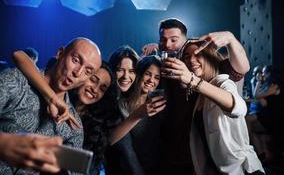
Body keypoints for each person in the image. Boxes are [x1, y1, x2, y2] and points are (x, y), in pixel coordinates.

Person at [143, 18, 250, 173]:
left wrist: (230, 39)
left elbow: (241, 69)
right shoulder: (163, 67)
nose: (167, 45)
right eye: (163, 40)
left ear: (185, 41)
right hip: (179, 154)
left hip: (225, 164)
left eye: (174, 40)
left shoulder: (215, 76)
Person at [0, 37, 102, 174]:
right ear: (60, 53)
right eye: (75, 60)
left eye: (88, 71)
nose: (78, 73)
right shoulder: (16, 80)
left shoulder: (74, 125)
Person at [162, 40, 264, 174]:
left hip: (242, 170)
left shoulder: (222, 81)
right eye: (187, 56)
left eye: (198, 54)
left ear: (210, 57)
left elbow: (239, 108)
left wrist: (192, 80)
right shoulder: (198, 95)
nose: (192, 60)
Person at [106, 56, 166, 175]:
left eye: (157, 77)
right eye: (148, 74)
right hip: (127, 169)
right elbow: (117, 143)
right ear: (139, 74)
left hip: (156, 167)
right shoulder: (122, 104)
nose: (151, 80)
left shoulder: (159, 98)